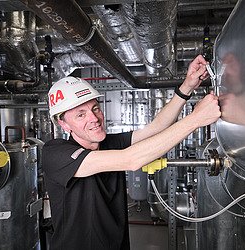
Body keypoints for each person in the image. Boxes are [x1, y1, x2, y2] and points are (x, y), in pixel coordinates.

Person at [42, 55, 221, 249]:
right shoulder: (55, 153)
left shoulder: (110, 142)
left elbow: (155, 129)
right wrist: (195, 119)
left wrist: (187, 86)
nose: (94, 118)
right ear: (63, 123)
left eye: (95, 108)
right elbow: (131, 159)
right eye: (80, 114)